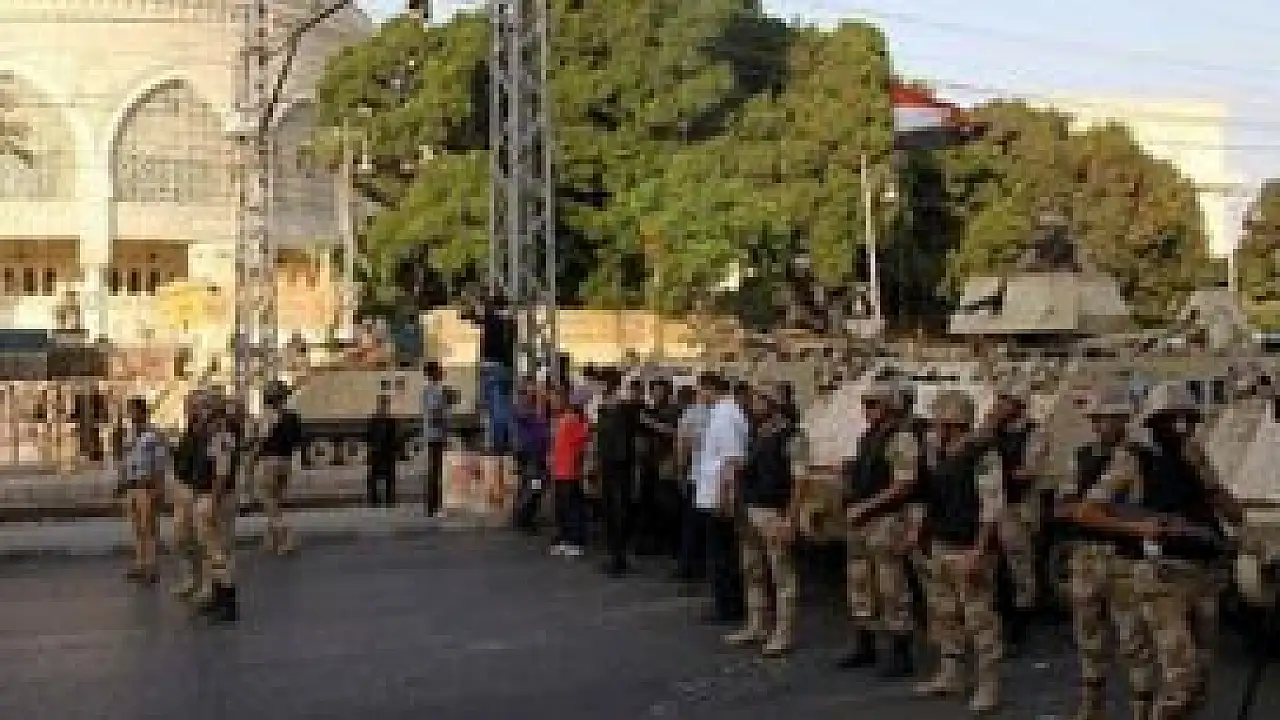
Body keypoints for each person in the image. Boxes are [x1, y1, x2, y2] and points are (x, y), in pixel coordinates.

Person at [1073, 381, 1242, 720]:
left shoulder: (1194, 455)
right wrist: (1140, 528)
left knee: (1200, 680)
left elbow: (1228, 508)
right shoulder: (1134, 458)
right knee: (1181, 678)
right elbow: (1087, 511)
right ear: (1154, 421)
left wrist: (1216, 493)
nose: (1180, 426)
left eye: (1187, 419)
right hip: (1162, 576)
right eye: (1171, 419)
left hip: (1203, 573)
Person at [1053, 384, 1152, 720]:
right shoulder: (1082, 456)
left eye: (1107, 418)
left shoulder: (1138, 456)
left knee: (1133, 638)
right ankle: (1092, 706)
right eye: (1096, 419)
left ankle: (1141, 708)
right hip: (1086, 553)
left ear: (1123, 419)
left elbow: (1131, 506)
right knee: (1088, 633)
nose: (1099, 425)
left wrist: (1090, 512)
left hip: (1125, 556)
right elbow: (1063, 506)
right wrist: (1091, 512)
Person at [913, 389, 1005, 713]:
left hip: (969, 547)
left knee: (980, 620)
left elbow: (991, 507)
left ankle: (988, 685)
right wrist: (921, 533)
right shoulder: (938, 452)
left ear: (955, 422)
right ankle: (950, 673)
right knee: (945, 614)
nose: (936, 427)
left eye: (940, 421)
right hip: (941, 543)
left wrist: (979, 551)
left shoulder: (983, 455)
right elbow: (929, 495)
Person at [836, 382, 920, 677]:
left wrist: (867, 505)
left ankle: (901, 652)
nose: (867, 410)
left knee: (891, 587)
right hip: (862, 518)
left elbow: (904, 484)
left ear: (889, 407)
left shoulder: (901, 438)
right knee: (859, 582)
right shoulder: (869, 437)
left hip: (886, 519)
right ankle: (865, 642)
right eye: (866, 404)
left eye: (873, 404)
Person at [723, 383, 799, 657]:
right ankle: (757, 625)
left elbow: (799, 480)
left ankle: (783, 632)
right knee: (752, 570)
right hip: (751, 508)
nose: (753, 405)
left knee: (781, 575)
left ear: (772, 404)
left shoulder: (790, 435)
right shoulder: (759, 432)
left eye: (758, 400)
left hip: (773, 510)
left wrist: (790, 518)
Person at [977, 380, 1046, 651]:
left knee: (1019, 569)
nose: (1000, 406)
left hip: (1017, 509)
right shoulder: (993, 431)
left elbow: (1029, 472)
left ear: (1018, 405)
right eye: (999, 400)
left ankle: (1020, 628)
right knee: (994, 569)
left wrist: (997, 475)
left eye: (1005, 401)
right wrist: (987, 427)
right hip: (992, 507)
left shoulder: (1033, 433)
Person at [693, 372, 748, 623]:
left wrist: (724, 498)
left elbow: (732, 460)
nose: (699, 395)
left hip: (719, 495)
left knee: (722, 554)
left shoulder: (726, 416)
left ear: (710, 389)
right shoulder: (722, 413)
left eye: (701, 390)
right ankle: (726, 602)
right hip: (715, 492)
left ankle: (728, 606)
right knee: (721, 552)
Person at [594, 369, 640, 576]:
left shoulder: (623, 408)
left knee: (617, 509)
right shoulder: (609, 408)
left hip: (618, 464)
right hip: (612, 463)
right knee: (612, 509)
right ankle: (616, 554)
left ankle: (618, 556)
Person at [171, 391, 215, 601]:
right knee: (182, 538)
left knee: (205, 542)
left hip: (204, 492)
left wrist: (213, 496)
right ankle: (192, 578)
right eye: (189, 406)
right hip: (185, 489)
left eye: (196, 406)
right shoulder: (188, 432)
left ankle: (208, 584)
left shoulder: (212, 432)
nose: (191, 410)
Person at [121, 396, 167, 584]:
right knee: (137, 527)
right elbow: (126, 459)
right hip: (132, 485)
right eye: (130, 411)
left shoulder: (153, 436)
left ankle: (152, 565)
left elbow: (160, 461)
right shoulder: (130, 435)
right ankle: (140, 563)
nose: (131, 415)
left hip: (147, 485)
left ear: (143, 412)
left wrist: (158, 486)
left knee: (149, 527)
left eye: (134, 411)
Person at [254, 380, 303, 554]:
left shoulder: (269, 417)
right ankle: (271, 540)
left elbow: (261, 439)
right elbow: (297, 440)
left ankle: (285, 535)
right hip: (285, 461)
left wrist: (253, 456)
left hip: (268, 461)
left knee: (269, 502)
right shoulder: (292, 417)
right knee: (277, 501)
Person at [674, 381, 711, 582]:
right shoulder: (719, 414)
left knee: (691, 523)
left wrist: (680, 471)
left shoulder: (690, 415)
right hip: (711, 478)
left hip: (696, 475)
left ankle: (687, 566)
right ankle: (703, 565)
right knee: (707, 525)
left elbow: (683, 445)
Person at [549, 387, 590, 557]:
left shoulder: (573, 419)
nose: (553, 402)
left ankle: (575, 540)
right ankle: (564, 538)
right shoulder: (561, 420)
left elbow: (584, 437)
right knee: (561, 507)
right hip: (559, 470)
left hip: (569, 470)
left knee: (571, 507)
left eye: (556, 398)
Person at [512, 382, 551, 531]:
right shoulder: (525, 412)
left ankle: (527, 515)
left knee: (535, 486)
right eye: (531, 394)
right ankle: (524, 517)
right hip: (531, 455)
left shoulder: (537, 414)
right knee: (532, 486)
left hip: (538, 456)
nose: (534, 397)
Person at [420, 361, 452, 516]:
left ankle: (434, 505)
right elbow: (435, 412)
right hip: (435, 435)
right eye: (438, 370)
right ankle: (433, 506)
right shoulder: (431, 390)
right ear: (432, 373)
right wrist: (447, 401)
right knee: (435, 471)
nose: (441, 372)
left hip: (437, 434)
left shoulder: (435, 389)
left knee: (437, 471)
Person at [366, 394, 400, 507]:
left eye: (386, 405)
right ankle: (374, 498)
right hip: (377, 450)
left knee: (389, 475)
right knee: (374, 476)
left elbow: (394, 437)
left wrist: (394, 449)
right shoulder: (374, 420)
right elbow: (369, 435)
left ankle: (389, 497)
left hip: (387, 451)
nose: (384, 407)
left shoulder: (391, 421)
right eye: (382, 404)